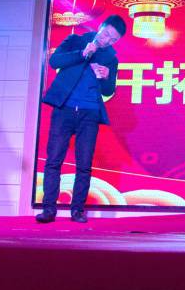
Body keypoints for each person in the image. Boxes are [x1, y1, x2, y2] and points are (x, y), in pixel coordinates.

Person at [36, 15, 125, 224]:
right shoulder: (75, 40)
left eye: (112, 40)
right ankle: (48, 209)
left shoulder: (111, 58)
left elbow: (108, 90)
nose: (106, 41)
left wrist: (106, 77)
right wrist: (82, 53)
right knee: (54, 160)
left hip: (89, 113)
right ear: (101, 27)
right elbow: (55, 61)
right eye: (106, 34)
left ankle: (77, 210)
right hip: (64, 109)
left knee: (84, 164)